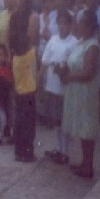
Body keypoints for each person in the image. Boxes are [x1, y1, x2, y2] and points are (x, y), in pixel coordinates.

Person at [59, 9, 100, 179]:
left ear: (89, 25)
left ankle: (88, 166)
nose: (78, 25)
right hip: (77, 92)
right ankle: (84, 163)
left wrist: (69, 76)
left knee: (87, 130)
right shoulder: (81, 42)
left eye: (81, 22)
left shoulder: (93, 46)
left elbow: (88, 72)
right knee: (82, 130)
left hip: (86, 93)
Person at [39, 9, 76, 164]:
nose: (62, 27)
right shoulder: (53, 40)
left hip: (65, 88)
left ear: (70, 25)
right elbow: (44, 62)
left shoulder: (73, 42)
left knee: (63, 121)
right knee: (55, 121)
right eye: (59, 23)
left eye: (65, 23)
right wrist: (40, 82)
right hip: (51, 87)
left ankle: (65, 152)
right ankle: (58, 148)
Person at [9, 0, 40, 162]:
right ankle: (24, 150)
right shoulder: (15, 17)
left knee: (22, 108)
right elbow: (28, 39)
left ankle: (22, 149)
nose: (17, 1)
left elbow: (29, 37)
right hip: (22, 60)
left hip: (22, 59)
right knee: (24, 110)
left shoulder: (30, 16)